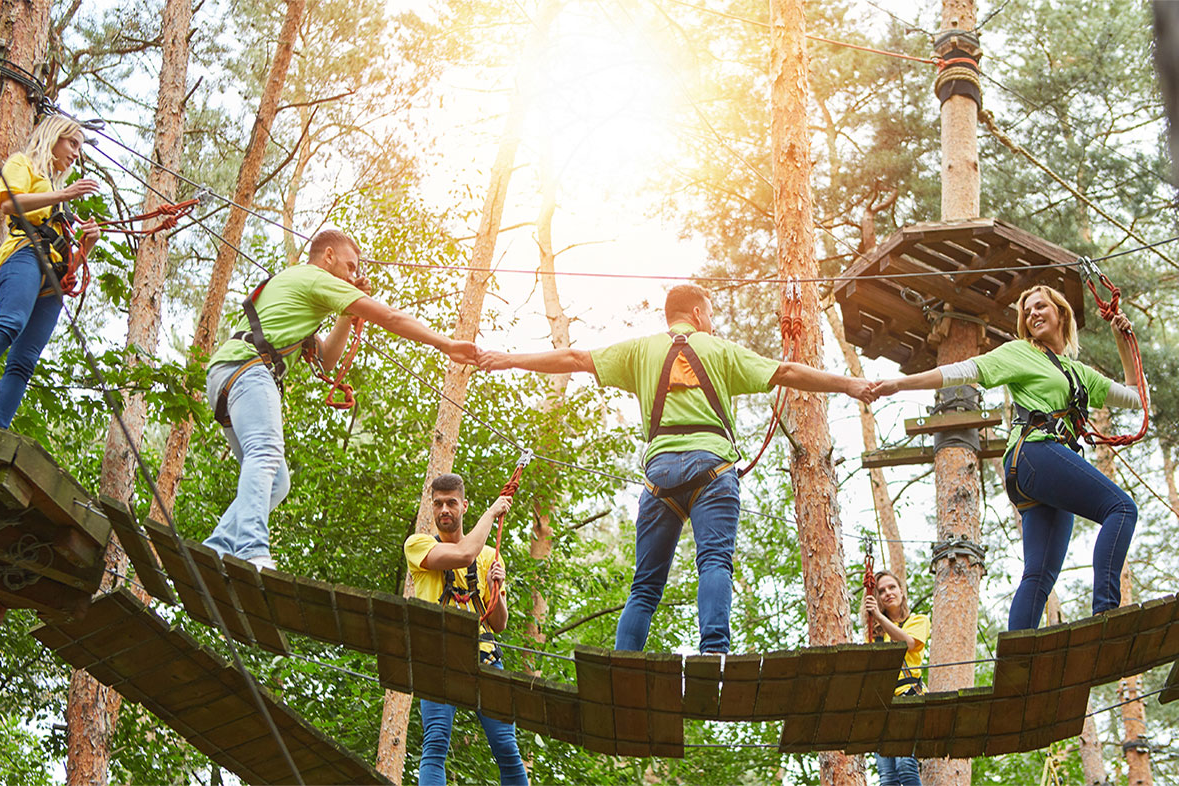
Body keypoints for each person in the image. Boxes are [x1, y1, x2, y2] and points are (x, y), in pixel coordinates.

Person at [479, 283, 875, 653]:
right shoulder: (720, 350)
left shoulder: (640, 350)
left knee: (645, 587)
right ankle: (714, 653)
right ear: (699, 314)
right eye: (712, 317)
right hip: (713, 470)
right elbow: (786, 372)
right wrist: (849, 385)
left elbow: (575, 358)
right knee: (714, 562)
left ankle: (623, 663)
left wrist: (506, 359)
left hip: (659, 476)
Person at [203, 230, 479, 569]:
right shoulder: (315, 276)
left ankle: (217, 547)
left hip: (228, 375)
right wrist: (446, 344)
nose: (353, 276)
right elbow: (390, 317)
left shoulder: (299, 288)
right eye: (350, 267)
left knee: (277, 482)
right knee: (266, 452)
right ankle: (250, 548)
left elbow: (327, 358)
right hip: (248, 370)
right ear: (328, 256)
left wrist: (346, 315)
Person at [872, 284, 1144, 629]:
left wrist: (1122, 340)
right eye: (1027, 312)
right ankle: (1106, 614)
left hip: (1041, 468)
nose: (1032, 314)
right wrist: (902, 384)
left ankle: (1016, 663)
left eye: (1040, 306)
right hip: (1035, 453)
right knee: (1121, 508)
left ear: (1061, 313)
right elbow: (965, 370)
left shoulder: (1081, 374)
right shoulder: (1021, 352)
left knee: (1039, 575)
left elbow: (1136, 397)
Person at [0, 115, 101, 426]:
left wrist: (87, 245)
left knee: (25, 361)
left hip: (53, 279)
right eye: (72, 143)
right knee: (11, 322)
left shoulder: (61, 202)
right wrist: (63, 195)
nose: (75, 153)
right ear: (53, 137)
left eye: (79, 147)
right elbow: (9, 204)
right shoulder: (23, 165)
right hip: (24, 255)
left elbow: (71, 263)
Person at [404, 473, 527, 786]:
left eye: (451, 503)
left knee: (507, 749)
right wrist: (491, 513)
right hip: (438, 658)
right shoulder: (417, 546)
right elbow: (463, 555)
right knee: (435, 744)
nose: (445, 509)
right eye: (439, 504)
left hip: (484, 657)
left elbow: (498, 624)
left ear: (463, 506)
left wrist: (494, 591)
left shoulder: (489, 558)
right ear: (432, 509)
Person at [864, 569, 929, 786]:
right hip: (883, 705)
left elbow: (908, 643)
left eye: (892, 587)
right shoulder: (875, 636)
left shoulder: (917, 621)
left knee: (905, 765)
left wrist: (879, 617)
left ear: (902, 591)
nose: (887, 593)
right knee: (887, 775)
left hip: (909, 698)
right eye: (881, 591)